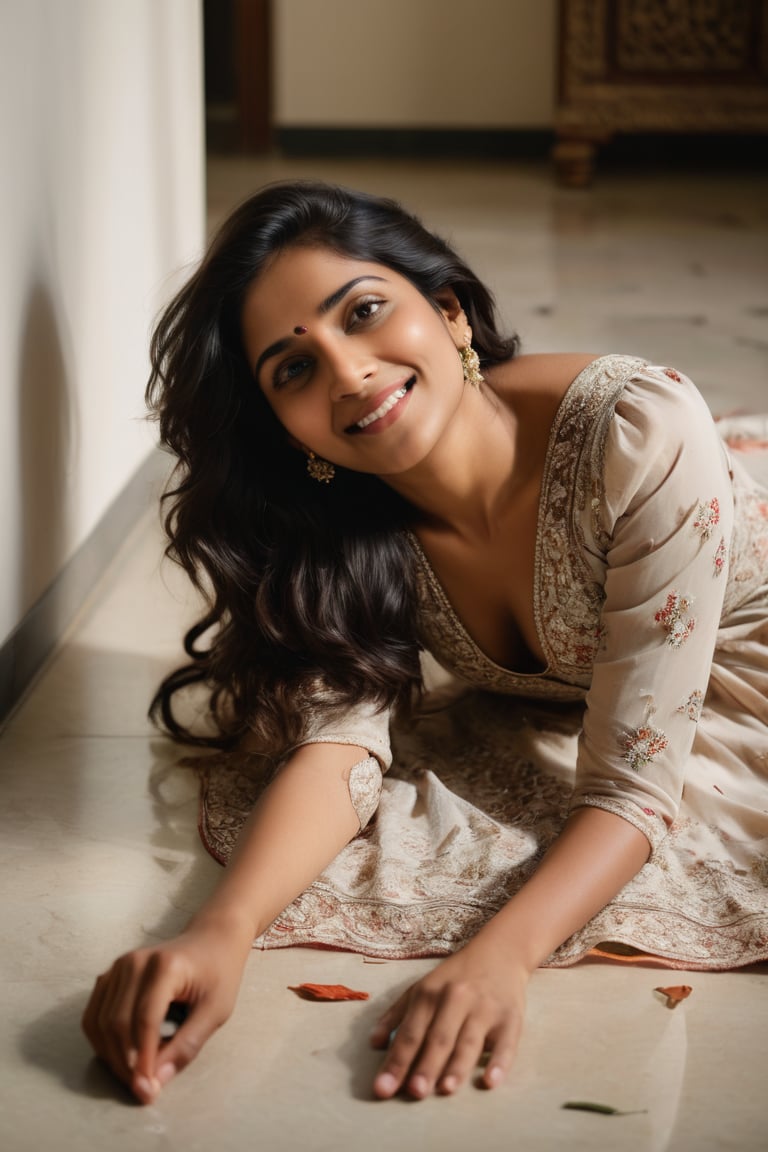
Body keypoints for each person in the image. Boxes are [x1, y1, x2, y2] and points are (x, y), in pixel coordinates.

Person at [82, 181, 768, 1107]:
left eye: (363, 313)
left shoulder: (636, 431)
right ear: (285, 427)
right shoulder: (344, 518)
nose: (348, 373)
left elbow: (630, 788)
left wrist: (501, 959)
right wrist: (221, 932)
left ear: (448, 313)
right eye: (293, 369)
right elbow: (342, 742)